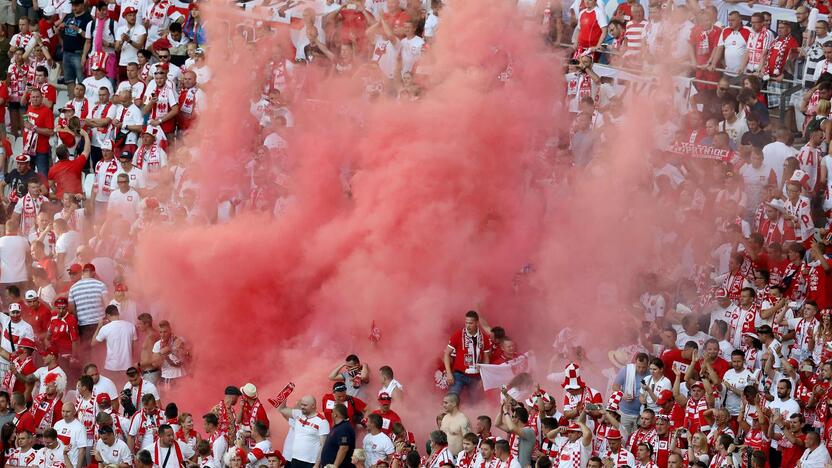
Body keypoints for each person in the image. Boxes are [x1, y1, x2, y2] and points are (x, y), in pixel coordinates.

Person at [444, 310, 491, 397]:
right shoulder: (458, 335)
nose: (468, 326)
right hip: (459, 375)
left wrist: (483, 378)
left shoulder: (484, 337)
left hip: (476, 377)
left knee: (476, 403)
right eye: (466, 323)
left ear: (477, 323)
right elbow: (447, 354)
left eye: (471, 323)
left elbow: (486, 358)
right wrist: (449, 373)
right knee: (452, 397)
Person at [277, 396, 329, 468]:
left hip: (310, 462)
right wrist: (285, 394)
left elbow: (323, 445)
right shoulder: (298, 414)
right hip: (295, 459)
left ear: (313, 405)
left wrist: (317, 464)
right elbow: (281, 409)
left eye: (305, 405)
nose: (302, 407)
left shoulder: (322, 421)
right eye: (301, 404)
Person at [67, 263, 108, 342]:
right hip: (100, 323)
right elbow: (107, 306)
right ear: (94, 273)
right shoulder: (101, 285)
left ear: (83, 272)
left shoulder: (73, 288)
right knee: (100, 349)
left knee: (87, 351)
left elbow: (71, 309)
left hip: (83, 325)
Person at [92, 304, 136, 371]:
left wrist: (98, 327)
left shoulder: (105, 328)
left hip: (112, 366)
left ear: (108, 315)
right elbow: (134, 347)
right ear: (118, 313)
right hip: (128, 366)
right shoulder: (131, 326)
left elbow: (93, 343)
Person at [151, 320, 189, 387]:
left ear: (170, 330)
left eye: (165, 332)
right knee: (169, 397)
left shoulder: (179, 340)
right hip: (167, 377)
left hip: (182, 375)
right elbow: (154, 364)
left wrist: (172, 349)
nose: (163, 334)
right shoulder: (157, 345)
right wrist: (161, 354)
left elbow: (187, 356)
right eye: (160, 332)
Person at [53, 403, 90, 468]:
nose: (65, 414)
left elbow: (82, 450)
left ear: (74, 412)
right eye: (63, 411)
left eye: (68, 412)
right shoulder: (57, 424)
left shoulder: (80, 427)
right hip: (56, 463)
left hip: (72, 464)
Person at [321, 403, 355, 468]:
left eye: (332, 412)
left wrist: (334, 466)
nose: (331, 414)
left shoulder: (344, 428)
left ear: (335, 414)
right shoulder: (337, 427)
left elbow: (344, 448)